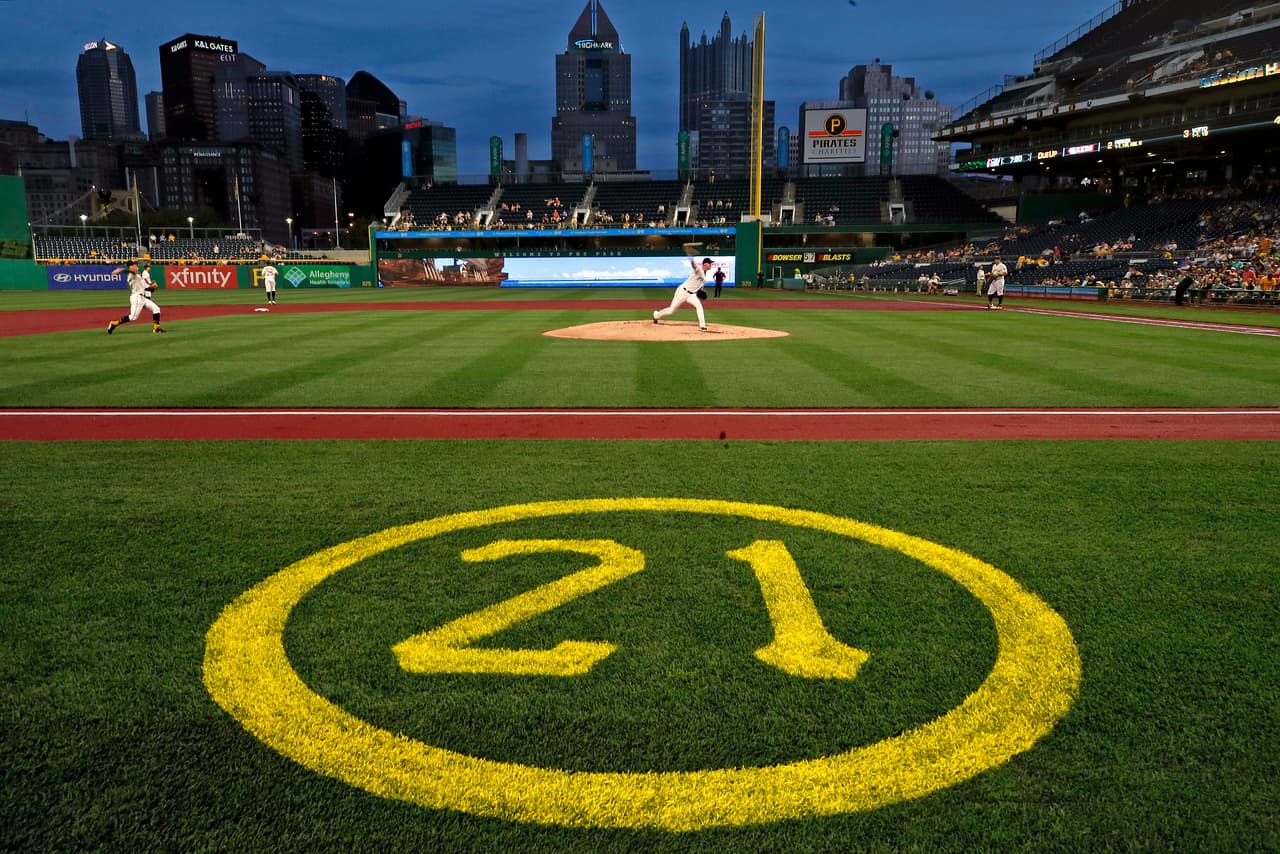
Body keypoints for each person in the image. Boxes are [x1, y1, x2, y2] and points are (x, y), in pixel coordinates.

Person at [653, 255, 712, 331]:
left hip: (691, 295)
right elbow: (694, 266)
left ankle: (702, 326)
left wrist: (702, 291)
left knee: (699, 306)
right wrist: (691, 259)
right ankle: (656, 315)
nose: (711, 264)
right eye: (709, 263)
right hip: (683, 291)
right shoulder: (699, 270)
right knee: (671, 310)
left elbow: (700, 287)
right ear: (705, 264)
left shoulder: (704, 275)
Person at [106, 259, 166, 334]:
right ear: (130, 267)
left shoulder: (138, 275)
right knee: (133, 317)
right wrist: (121, 270)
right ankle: (114, 324)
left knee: (156, 309)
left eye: (136, 264)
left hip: (142, 297)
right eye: (134, 265)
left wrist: (152, 287)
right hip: (137, 298)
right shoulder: (132, 274)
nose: (136, 266)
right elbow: (130, 272)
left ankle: (156, 328)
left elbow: (145, 288)